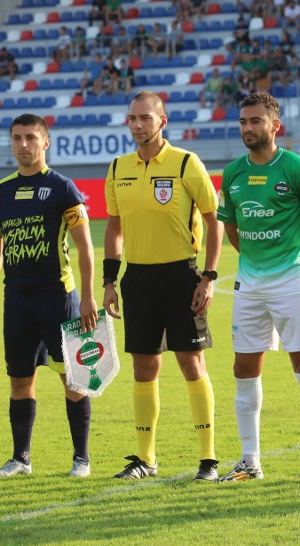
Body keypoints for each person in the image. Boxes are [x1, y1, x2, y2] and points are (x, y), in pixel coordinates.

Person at [102, 91, 222, 481]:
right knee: (144, 366)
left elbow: (213, 218)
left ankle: (208, 459)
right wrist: (109, 281)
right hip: (137, 278)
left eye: (145, 118)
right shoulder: (118, 167)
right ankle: (146, 459)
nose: (138, 125)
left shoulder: (187, 163)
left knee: (191, 362)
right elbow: (114, 227)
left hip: (182, 275)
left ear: (162, 121)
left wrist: (209, 276)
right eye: (133, 118)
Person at [216, 92, 300, 484]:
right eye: (243, 122)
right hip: (248, 285)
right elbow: (231, 228)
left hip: (291, 282)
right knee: (243, 369)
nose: (248, 128)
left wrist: (298, 268)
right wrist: (254, 262)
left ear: (274, 126)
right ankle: (250, 462)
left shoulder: (297, 169)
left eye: (255, 121)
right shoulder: (232, 173)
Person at [0, 114, 98, 479]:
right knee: (19, 379)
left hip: (58, 298)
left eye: (31, 137)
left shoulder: (63, 188)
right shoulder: (2, 191)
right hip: (17, 300)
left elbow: (85, 248)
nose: (23, 145)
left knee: (74, 379)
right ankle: (21, 458)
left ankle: (81, 459)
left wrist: (89, 297)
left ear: (45, 142)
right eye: (17, 138)